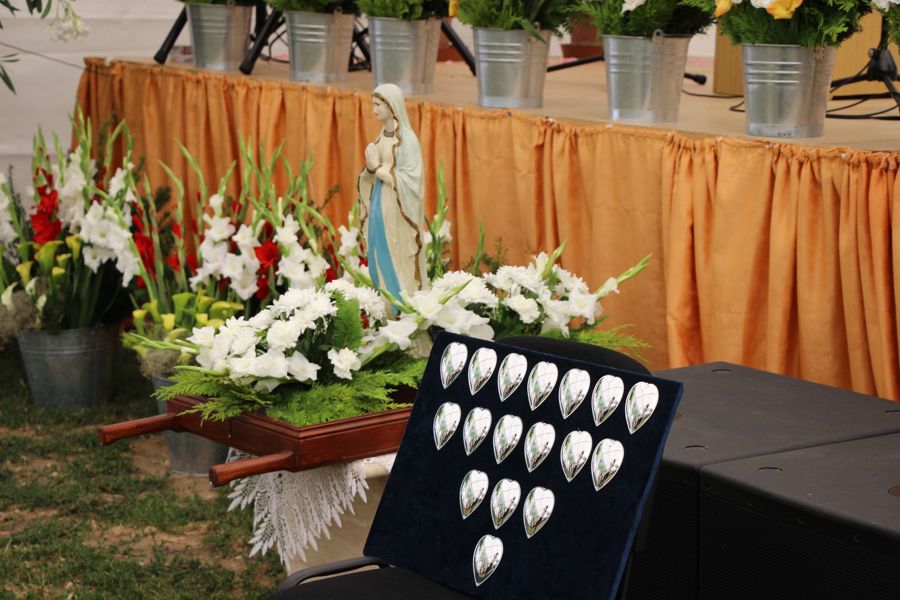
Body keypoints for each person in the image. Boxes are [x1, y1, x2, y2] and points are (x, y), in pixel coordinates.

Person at [357, 83, 427, 301]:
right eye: (373, 104)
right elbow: (375, 170)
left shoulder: (407, 140)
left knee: (397, 252)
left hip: (399, 207)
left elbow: (410, 180)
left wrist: (376, 168)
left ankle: (400, 304)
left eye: (378, 104)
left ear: (391, 105)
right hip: (380, 200)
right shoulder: (382, 136)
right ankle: (385, 303)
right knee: (379, 248)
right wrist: (370, 169)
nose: (374, 110)